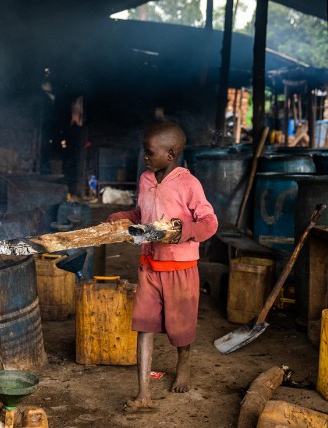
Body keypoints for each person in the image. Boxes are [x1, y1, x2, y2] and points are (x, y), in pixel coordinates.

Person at [107, 121, 218, 410]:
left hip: (180, 268)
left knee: (180, 329)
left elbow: (209, 222)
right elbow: (143, 213)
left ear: (171, 154)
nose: (145, 157)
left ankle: (184, 360)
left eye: (149, 152)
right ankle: (143, 393)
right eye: (144, 152)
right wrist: (123, 216)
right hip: (149, 265)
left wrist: (185, 230)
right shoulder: (146, 179)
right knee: (144, 327)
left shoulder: (189, 183)